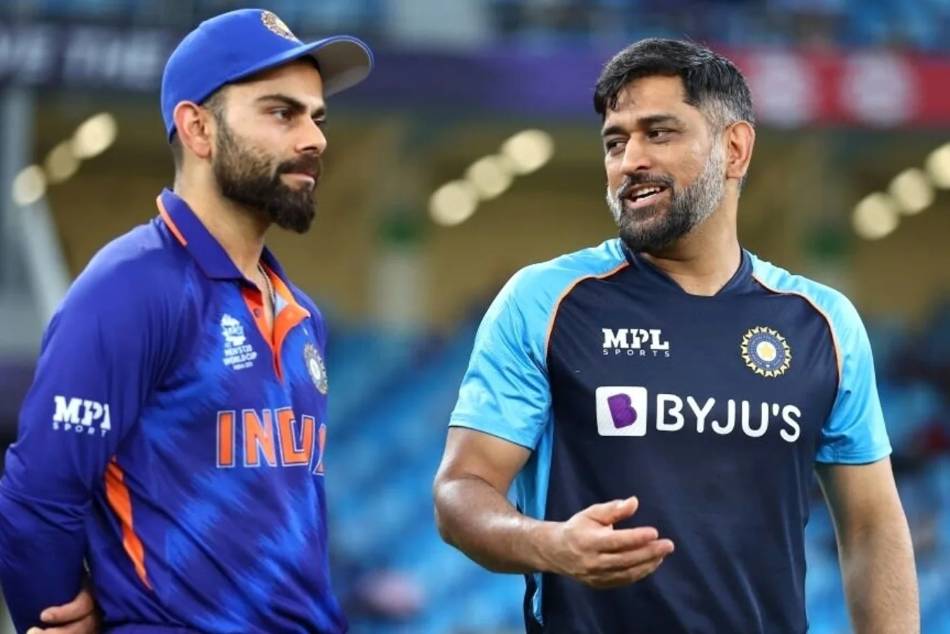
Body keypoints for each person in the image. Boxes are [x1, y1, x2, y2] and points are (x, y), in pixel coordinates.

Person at [433, 38, 919, 633]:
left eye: (658, 133)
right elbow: (461, 490)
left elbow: (871, 526)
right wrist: (548, 543)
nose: (629, 160)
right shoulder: (545, 301)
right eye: (615, 142)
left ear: (734, 149)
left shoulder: (823, 324)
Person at [0, 9, 372, 632]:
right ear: (198, 129)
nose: (315, 138)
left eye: (318, 117)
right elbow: (37, 496)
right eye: (282, 113)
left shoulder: (303, 314)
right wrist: (57, 615)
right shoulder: (131, 287)